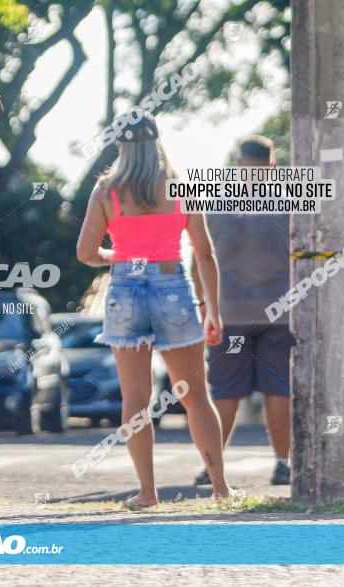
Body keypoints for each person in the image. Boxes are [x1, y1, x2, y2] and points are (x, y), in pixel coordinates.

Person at [76, 110, 235, 507]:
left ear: (121, 145)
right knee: (195, 395)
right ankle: (220, 489)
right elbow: (205, 254)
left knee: (135, 401)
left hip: (124, 289)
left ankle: (147, 493)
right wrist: (211, 309)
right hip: (172, 288)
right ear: (156, 141)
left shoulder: (106, 191)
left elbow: (85, 253)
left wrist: (122, 256)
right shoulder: (181, 187)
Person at [190, 136, 294, 486]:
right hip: (280, 313)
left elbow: (198, 260)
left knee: (225, 391)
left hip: (229, 315)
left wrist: (205, 305)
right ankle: (283, 463)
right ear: (272, 166)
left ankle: (212, 466)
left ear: (238, 165)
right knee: (279, 390)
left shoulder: (216, 205)